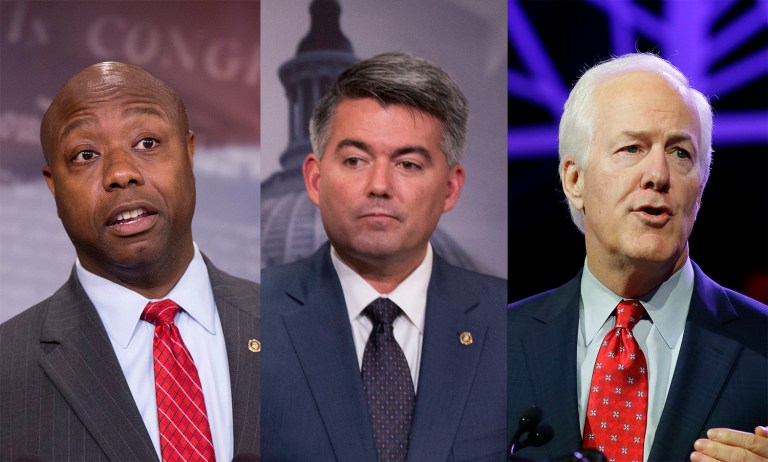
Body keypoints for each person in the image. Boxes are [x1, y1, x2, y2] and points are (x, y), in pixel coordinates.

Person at [507, 53, 768, 462]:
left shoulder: (762, 345)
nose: (659, 175)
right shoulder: (498, 346)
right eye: (632, 148)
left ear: (702, 184)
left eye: (681, 153)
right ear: (574, 180)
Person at [0, 62, 260, 461]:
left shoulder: (290, 328)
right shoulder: (7, 368)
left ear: (189, 154)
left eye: (147, 143)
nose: (121, 173)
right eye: (86, 154)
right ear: (52, 186)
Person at [261, 53, 506, 461]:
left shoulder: (509, 321)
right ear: (316, 180)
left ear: (449, 188)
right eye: (355, 160)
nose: (379, 185)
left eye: (408, 164)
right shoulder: (251, 318)